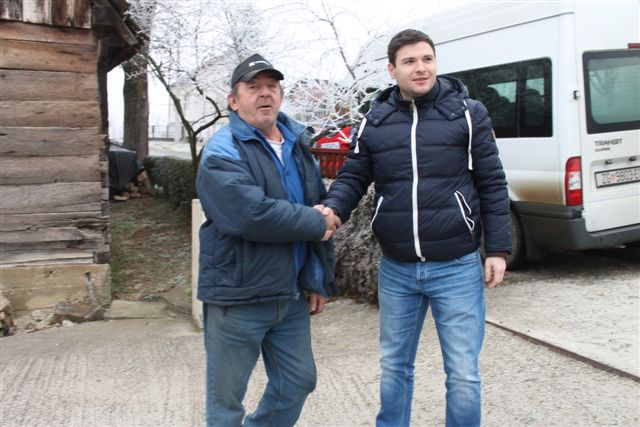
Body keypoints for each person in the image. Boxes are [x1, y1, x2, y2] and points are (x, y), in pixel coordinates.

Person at [321, 29, 512, 427]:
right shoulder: (375, 121)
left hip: (456, 266)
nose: (421, 68)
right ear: (392, 70)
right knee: (394, 365)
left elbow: (492, 183)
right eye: (409, 61)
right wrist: (334, 209)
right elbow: (353, 176)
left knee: (462, 372)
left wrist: (497, 249)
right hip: (398, 267)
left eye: (427, 59)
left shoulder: (468, 113)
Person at [196, 53, 337, 427]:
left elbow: (316, 202)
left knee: (298, 382)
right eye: (253, 87)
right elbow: (250, 215)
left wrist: (316, 278)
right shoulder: (221, 150)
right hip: (237, 296)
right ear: (233, 100)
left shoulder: (297, 144)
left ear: (281, 95)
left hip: (288, 297)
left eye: (272, 86)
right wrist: (317, 222)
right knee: (226, 404)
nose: (265, 93)